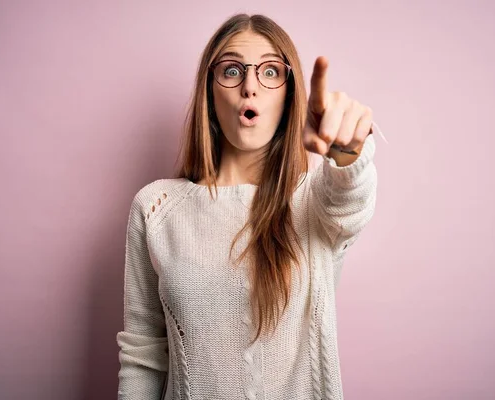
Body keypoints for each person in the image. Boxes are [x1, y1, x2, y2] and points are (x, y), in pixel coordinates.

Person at [116, 13, 382, 400]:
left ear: (289, 95)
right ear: (210, 91)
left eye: (271, 72)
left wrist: (348, 152)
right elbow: (143, 357)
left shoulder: (314, 199)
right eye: (232, 70)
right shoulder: (157, 207)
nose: (250, 87)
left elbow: (350, 200)